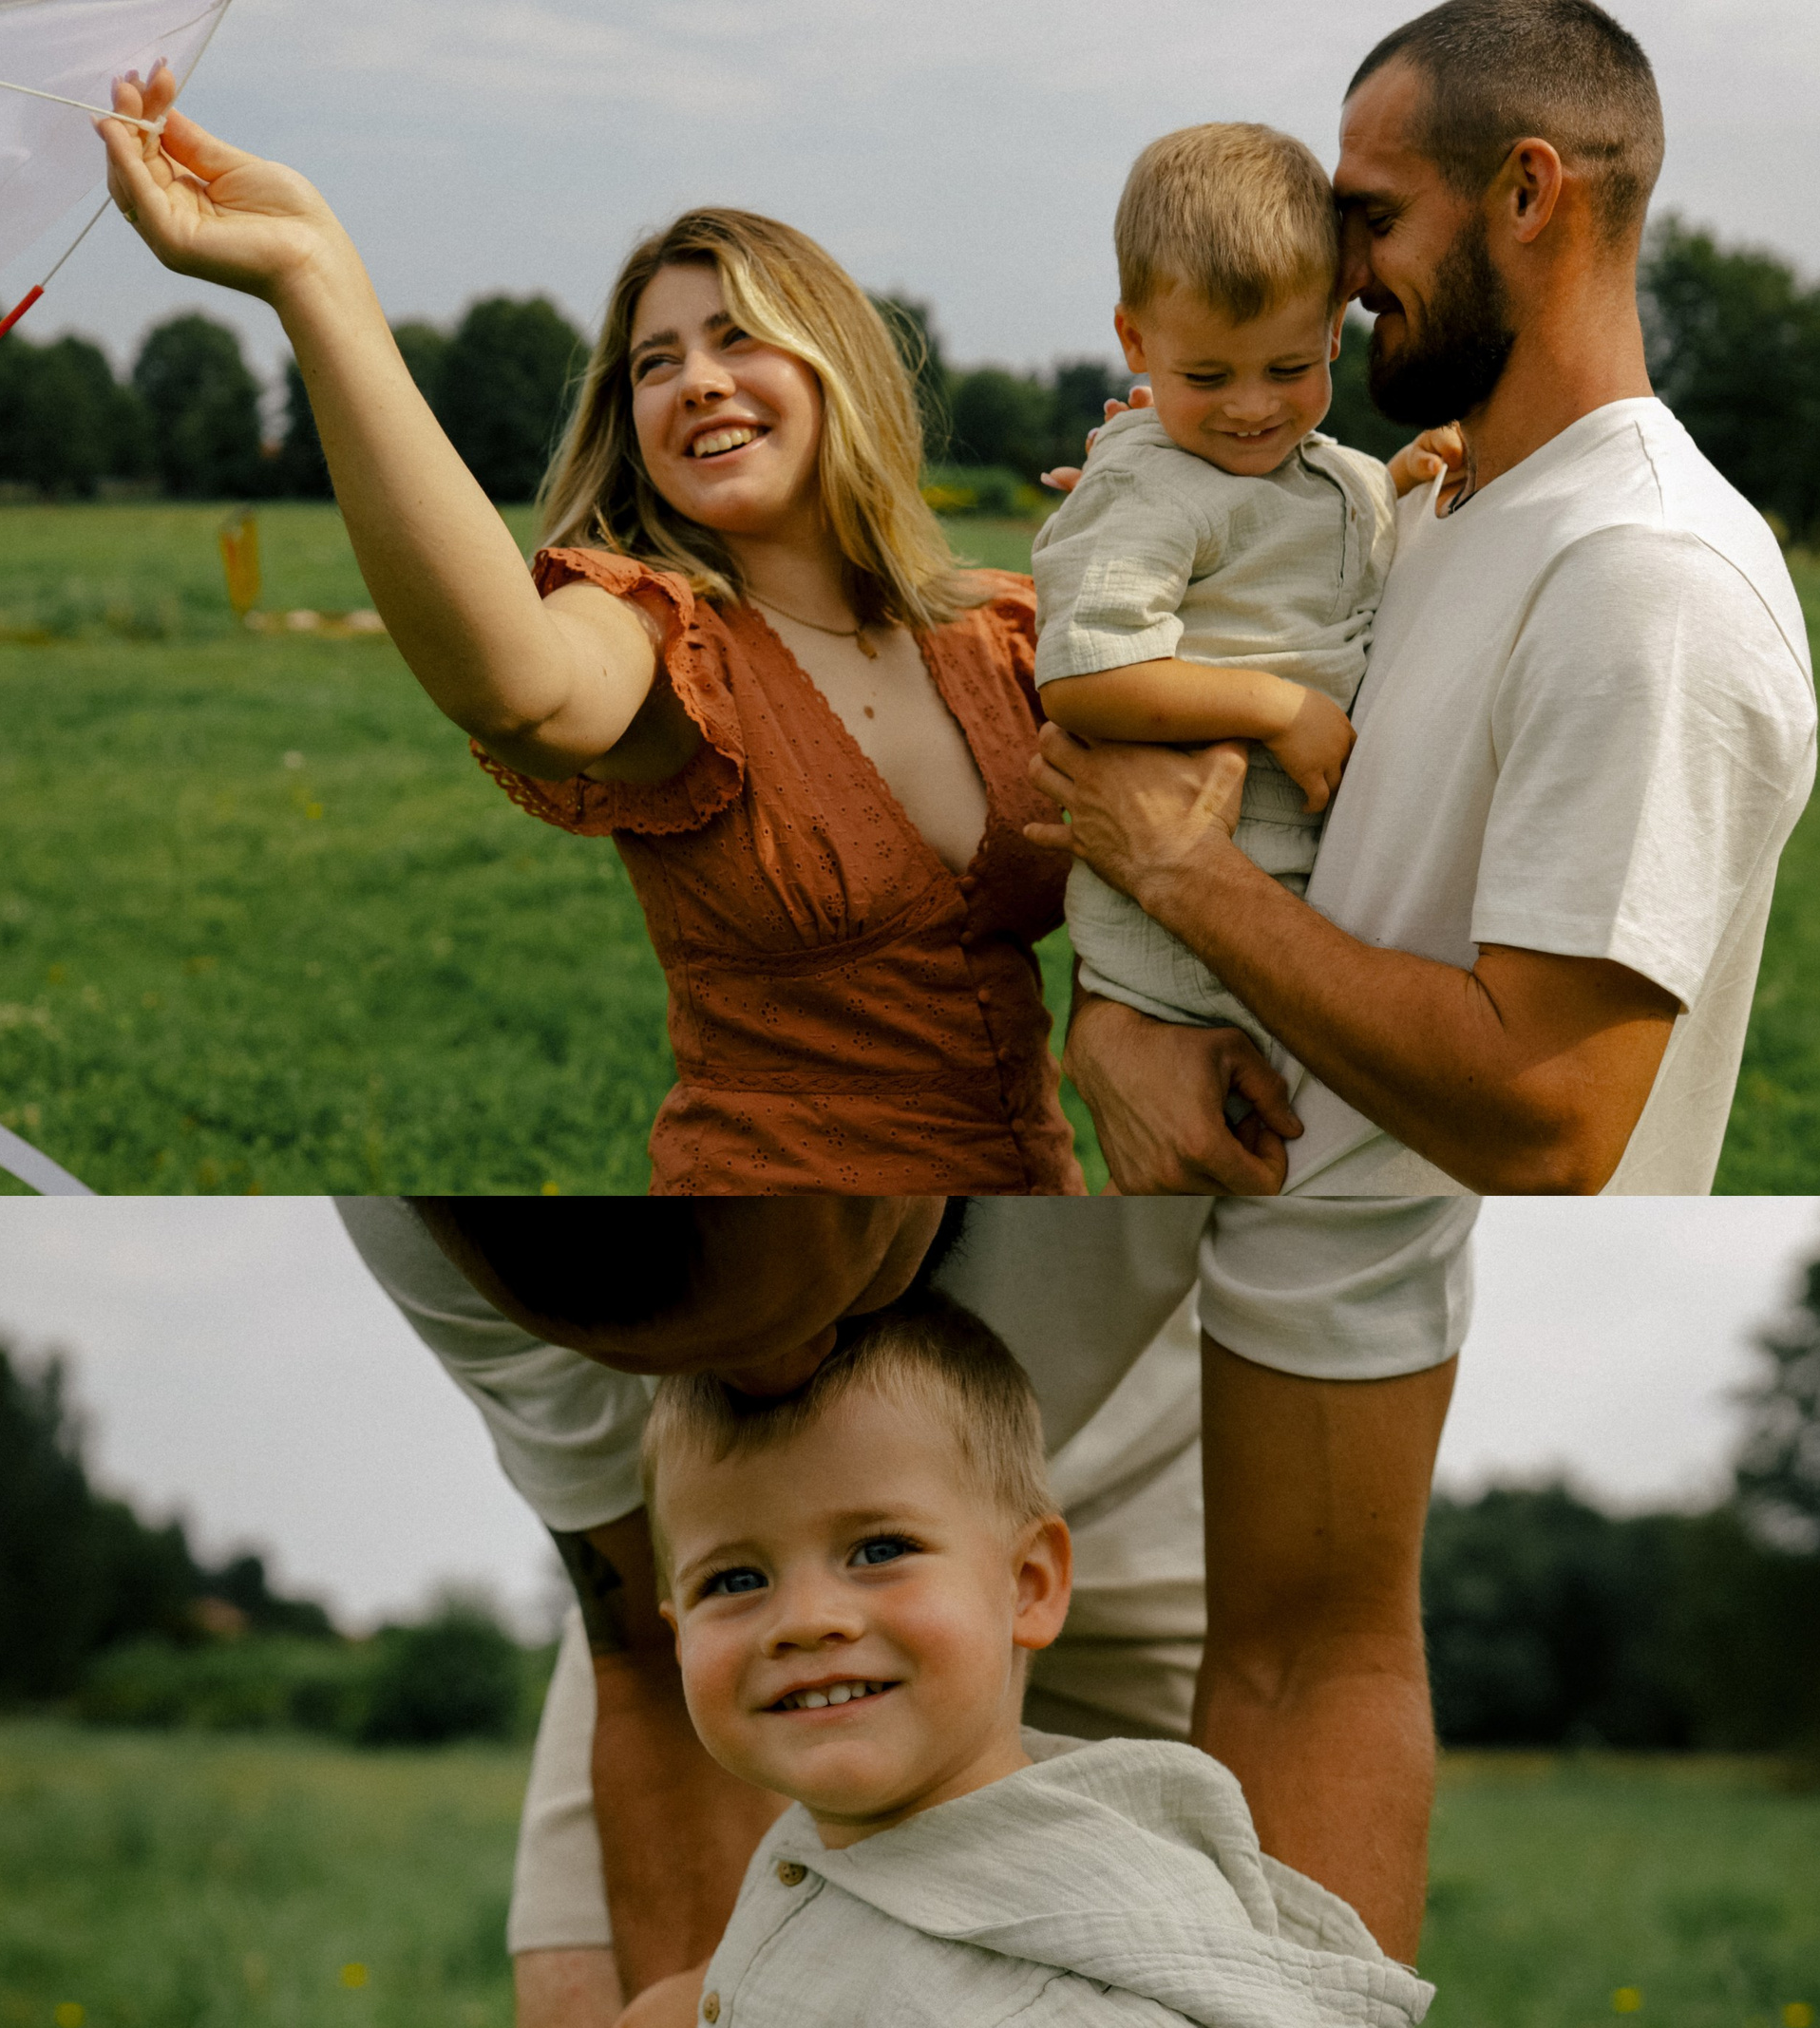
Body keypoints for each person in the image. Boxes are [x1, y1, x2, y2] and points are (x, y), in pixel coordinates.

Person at [97, 84, 1084, 1195]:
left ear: (837, 366)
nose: (697, 379)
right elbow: (518, 690)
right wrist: (312, 278)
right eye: (654, 362)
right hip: (774, 1263)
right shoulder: (654, 627)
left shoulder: (1004, 633)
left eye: (736, 336)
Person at [335, 1193, 1471, 2028]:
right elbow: (641, 1654)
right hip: (720, 1509)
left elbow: (1315, 1645)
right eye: (669, 1350)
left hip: (1213, 1452)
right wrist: (733, 2009)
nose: (776, 1387)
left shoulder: (1291, 1085)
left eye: (785, 1314)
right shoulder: (435, 1228)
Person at [1039, 0, 1818, 1200]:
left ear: (1524, 194)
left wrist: (1176, 870)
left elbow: (1543, 1125)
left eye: (1376, 219)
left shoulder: (1648, 577)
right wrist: (1110, 1032)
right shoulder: (1404, 511)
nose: (1340, 276)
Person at [633, 1296, 1430, 2028]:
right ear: (678, 1638)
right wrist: (733, 1998)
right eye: (734, 1578)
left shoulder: (1081, 2008)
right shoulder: (815, 1843)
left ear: (1028, 1585)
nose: (805, 1620)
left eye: (878, 1551)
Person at [1033, 122, 1456, 1068]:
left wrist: (1387, 486)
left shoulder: (1320, 471)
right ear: (1134, 340)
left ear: (1329, 334)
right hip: (1179, 956)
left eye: (1287, 368)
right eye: (1205, 376)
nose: (1251, 407)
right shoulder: (1147, 483)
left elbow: (1287, 552)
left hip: (1281, 903)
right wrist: (1276, 708)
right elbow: (1082, 679)